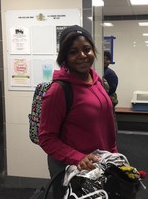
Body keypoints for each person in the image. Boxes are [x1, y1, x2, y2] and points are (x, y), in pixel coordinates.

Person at [38, 25, 118, 198]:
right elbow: (46, 138)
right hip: (73, 171)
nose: (82, 55)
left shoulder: (97, 82)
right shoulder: (58, 91)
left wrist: (114, 156)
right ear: (65, 57)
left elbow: (107, 124)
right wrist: (78, 157)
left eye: (87, 49)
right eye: (73, 51)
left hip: (100, 166)